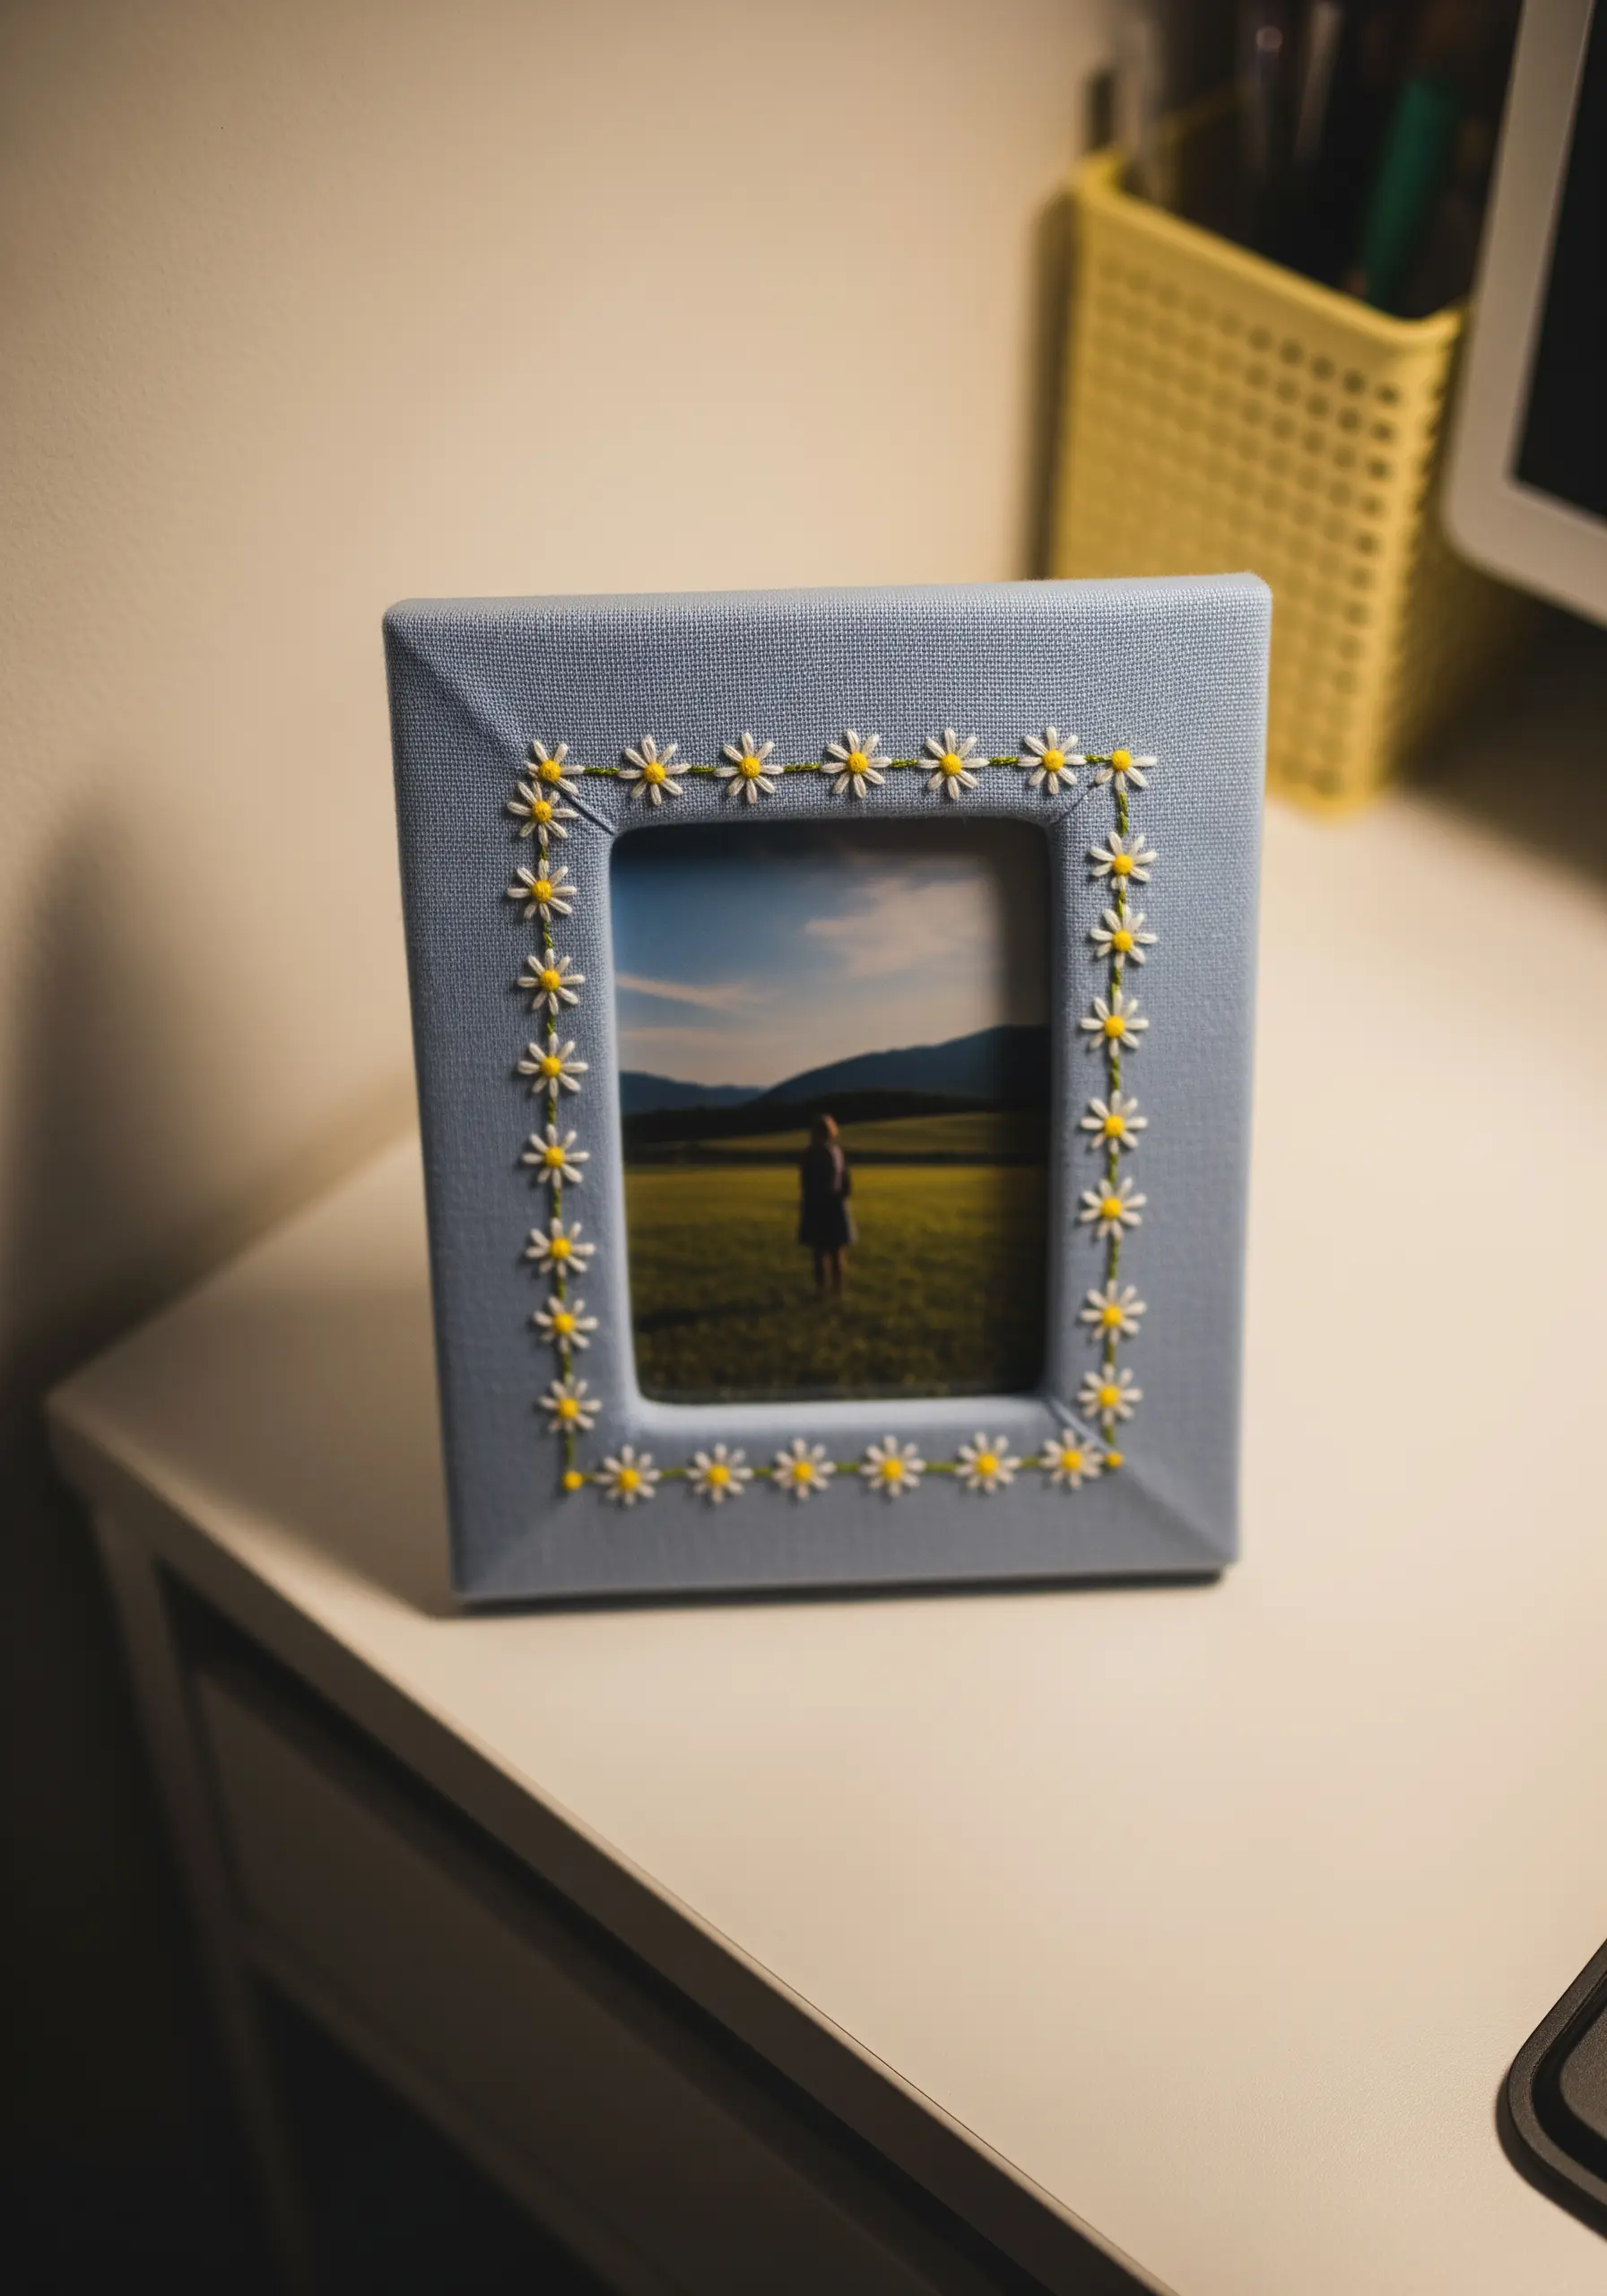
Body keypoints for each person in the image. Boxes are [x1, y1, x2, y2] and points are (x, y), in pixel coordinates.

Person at [797, 1112, 854, 1296]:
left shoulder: (811, 1154)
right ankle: (835, 1290)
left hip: (819, 1208)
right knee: (834, 1252)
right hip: (835, 1207)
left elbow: (806, 1183)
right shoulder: (837, 1152)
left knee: (821, 1252)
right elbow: (847, 1183)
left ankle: (824, 1290)